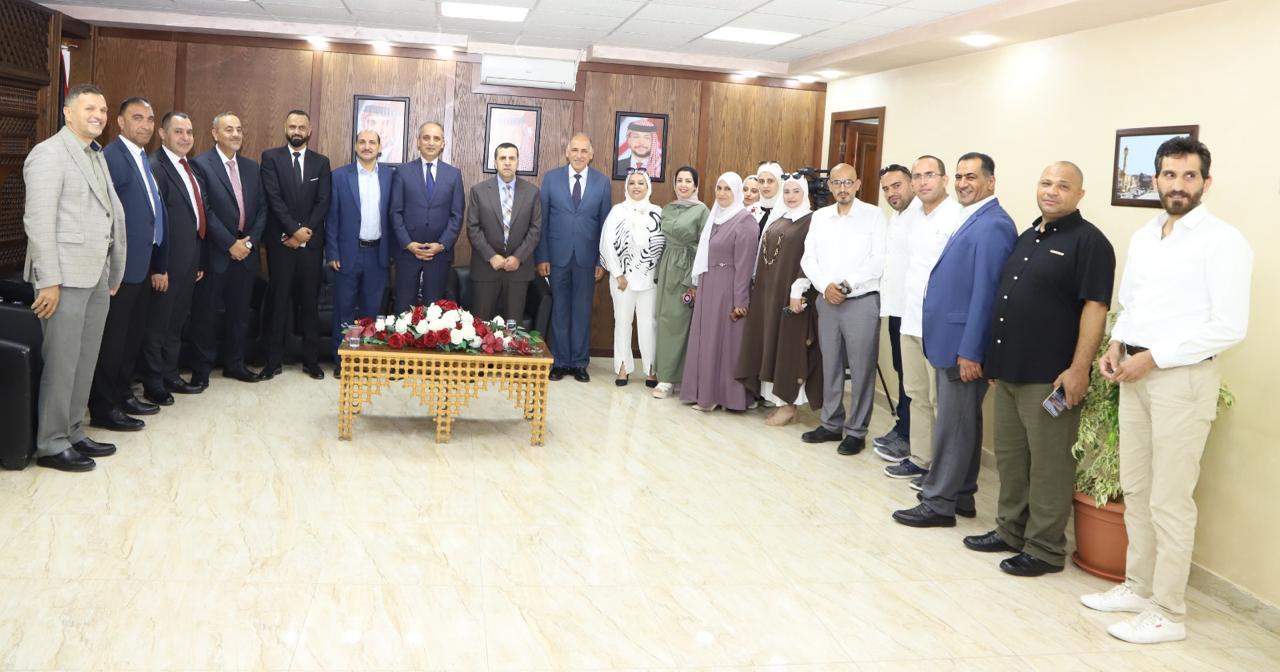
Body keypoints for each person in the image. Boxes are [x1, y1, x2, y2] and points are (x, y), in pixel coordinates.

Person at [1080, 138, 1252, 644]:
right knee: (1137, 489)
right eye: (1170, 175)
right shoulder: (1146, 235)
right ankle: (1138, 588)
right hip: (1134, 373)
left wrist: (1153, 357)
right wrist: (1117, 344)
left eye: (1189, 176)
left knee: (1170, 500)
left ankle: (1168, 613)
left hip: (1183, 380)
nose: (1178, 185)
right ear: (1155, 180)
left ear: (1206, 182)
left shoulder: (1223, 242)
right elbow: (1133, 301)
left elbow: (1229, 326)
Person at [964, 161, 1115, 577]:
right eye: (1046, 183)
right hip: (1010, 369)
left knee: (1050, 465)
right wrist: (994, 359)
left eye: (1063, 186)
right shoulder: (1028, 236)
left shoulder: (1090, 243)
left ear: (1080, 194)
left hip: (1051, 378)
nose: (1052, 191)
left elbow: (1095, 307)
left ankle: (1045, 548)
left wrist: (1079, 369)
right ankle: (1010, 530)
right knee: (1011, 459)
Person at [893, 152, 1016, 527]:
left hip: (964, 346)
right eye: (960, 176)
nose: (963, 183)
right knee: (963, 423)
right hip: (952, 339)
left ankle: (938, 502)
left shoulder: (994, 225)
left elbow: (987, 294)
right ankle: (961, 494)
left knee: (953, 425)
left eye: (971, 177)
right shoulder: (971, 217)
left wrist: (971, 350)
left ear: (991, 182)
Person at [22, 83, 127, 472]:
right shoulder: (49, 154)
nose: (98, 115)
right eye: (89, 109)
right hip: (62, 278)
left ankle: (72, 430)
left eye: (103, 109)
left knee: (84, 361)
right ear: (68, 113)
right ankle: (51, 443)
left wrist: (113, 269)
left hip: (95, 274)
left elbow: (108, 215)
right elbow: (38, 221)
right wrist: (48, 280)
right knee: (62, 363)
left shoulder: (95, 154)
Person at [884, 156, 965, 484]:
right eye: (917, 176)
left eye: (929, 175)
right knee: (916, 394)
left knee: (940, 401)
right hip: (910, 318)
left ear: (944, 180)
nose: (922, 181)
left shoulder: (957, 217)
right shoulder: (912, 216)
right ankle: (921, 460)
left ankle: (944, 472)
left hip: (941, 326)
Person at [87, 96, 166, 432]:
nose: (145, 125)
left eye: (149, 119)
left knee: (131, 339)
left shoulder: (142, 157)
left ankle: (123, 395)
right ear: (120, 122)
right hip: (120, 270)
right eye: (137, 118)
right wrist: (110, 268)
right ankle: (104, 409)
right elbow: (103, 216)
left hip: (142, 265)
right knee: (113, 342)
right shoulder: (113, 157)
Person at [797, 164, 887, 454]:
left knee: (861, 369)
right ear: (830, 186)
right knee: (831, 364)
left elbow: (878, 259)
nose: (843, 188)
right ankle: (831, 424)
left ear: (858, 184)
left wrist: (846, 286)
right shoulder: (820, 217)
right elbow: (809, 258)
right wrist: (825, 287)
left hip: (861, 301)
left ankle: (857, 431)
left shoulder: (874, 215)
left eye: (848, 182)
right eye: (837, 183)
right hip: (827, 300)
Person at [735, 171, 822, 426]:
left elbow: (813, 258)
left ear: (805, 194)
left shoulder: (812, 221)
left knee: (789, 348)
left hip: (793, 296)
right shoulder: (780, 218)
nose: (791, 196)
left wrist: (799, 289)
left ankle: (789, 404)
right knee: (772, 344)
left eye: (796, 191)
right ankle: (778, 401)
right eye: (787, 191)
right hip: (769, 294)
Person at [188, 110, 266, 385]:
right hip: (216, 254)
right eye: (229, 129)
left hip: (246, 254)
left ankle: (235, 364)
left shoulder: (252, 167)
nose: (235, 134)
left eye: (239, 129)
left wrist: (248, 243)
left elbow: (262, 209)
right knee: (206, 316)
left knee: (239, 315)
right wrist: (230, 244)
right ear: (215, 134)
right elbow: (204, 210)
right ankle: (201, 371)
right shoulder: (200, 165)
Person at [138, 111, 207, 404]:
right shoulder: (156, 166)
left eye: (189, 132)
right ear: (163, 134)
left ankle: (170, 374)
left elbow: (195, 218)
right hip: (166, 264)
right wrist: (159, 266)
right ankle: (153, 383)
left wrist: (198, 261)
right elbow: (154, 222)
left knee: (176, 323)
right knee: (157, 325)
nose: (185, 137)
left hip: (189, 261)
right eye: (178, 132)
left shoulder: (190, 168)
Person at [259, 109, 332, 380]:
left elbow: (323, 201)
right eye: (292, 126)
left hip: (310, 246)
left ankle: (311, 361)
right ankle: (272, 361)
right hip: (281, 243)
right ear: (285, 128)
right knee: (278, 303)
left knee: (309, 304)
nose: (297, 131)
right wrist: (292, 230)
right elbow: (273, 198)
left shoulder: (321, 162)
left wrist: (303, 233)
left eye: (302, 127)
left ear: (309, 131)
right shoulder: (271, 158)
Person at [535, 133, 612, 382]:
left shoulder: (602, 182)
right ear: (567, 152)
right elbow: (543, 221)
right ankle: (559, 362)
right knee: (559, 310)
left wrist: (601, 261)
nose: (579, 155)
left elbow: (605, 226)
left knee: (581, 311)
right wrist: (542, 256)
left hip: (587, 260)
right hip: (557, 257)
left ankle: (579, 363)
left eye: (584, 151)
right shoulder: (551, 178)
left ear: (591, 155)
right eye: (575, 150)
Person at [680, 172, 758, 411]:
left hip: (728, 290)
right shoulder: (716, 218)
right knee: (707, 341)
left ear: (737, 192)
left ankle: (723, 397)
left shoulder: (745, 222)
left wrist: (740, 301)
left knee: (724, 343)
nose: (722, 193)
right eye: (719, 188)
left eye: (728, 189)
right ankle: (703, 392)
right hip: (709, 286)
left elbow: (745, 266)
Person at [326, 129, 394, 375]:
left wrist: (392, 251)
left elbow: (394, 216)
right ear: (355, 146)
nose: (367, 146)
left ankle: (365, 362)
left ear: (379, 147)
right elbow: (331, 217)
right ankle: (343, 363)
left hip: (378, 254)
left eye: (372, 142)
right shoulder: (339, 176)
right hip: (347, 254)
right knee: (344, 310)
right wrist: (332, 252)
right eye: (362, 142)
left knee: (372, 311)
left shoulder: (390, 176)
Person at [600, 169, 664, 386]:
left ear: (648, 187)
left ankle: (650, 369)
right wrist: (618, 274)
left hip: (649, 279)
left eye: (641, 183)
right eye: (632, 183)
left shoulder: (658, 212)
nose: (636, 187)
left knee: (648, 324)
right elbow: (607, 244)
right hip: (622, 280)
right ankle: (622, 367)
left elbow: (663, 246)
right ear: (626, 187)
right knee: (622, 322)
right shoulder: (617, 211)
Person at [390, 121, 464, 310]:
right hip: (407, 253)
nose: (431, 142)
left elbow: (457, 215)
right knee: (404, 310)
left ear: (443, 143)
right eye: (426, 138)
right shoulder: (402, 172)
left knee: (435, 311)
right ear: (418, 142)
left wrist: (441, 245)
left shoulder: (454, 174)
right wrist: (408, 243)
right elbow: (395, 212)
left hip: (438, 255)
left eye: (436, 138)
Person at [467, 141, 542, 321]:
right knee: (482, 326)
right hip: (486, 268)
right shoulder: (478, 191)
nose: (507, 162)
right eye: (502, 158)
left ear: (517, 162)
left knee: (513, 327)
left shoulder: (532, 192)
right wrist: (492, 256)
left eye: (511, 158)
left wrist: (518, 257)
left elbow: (535, 229)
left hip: (518, 270)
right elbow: (473, 228)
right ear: (495, 163)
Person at [651, 166, 708, 399]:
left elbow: (704, 247)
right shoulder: (668, 208)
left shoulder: (702, 211)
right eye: (679, 180)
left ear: (696, 185)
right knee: (663, 320)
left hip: (687, 268)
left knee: (679, 322)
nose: (683, 185)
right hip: (667, 268)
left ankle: (672, 379)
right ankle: (666, 374)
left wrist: (693, 280)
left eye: (688, 181)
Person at [872, 164, 916, 462]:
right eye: (886, 189)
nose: (891, 193)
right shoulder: (896, 217)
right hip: (896, 308)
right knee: (902, 371)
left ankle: (910, 436)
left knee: (913, 379)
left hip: (914, 312)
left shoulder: (921, 217)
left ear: (912, 184)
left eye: (896, 186)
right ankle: (903, 426)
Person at [755, 161, 784, 234]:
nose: (765, 186)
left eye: (770, 181)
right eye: (761, 181)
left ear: (779, 183)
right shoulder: (751, 210)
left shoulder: (786, 212)